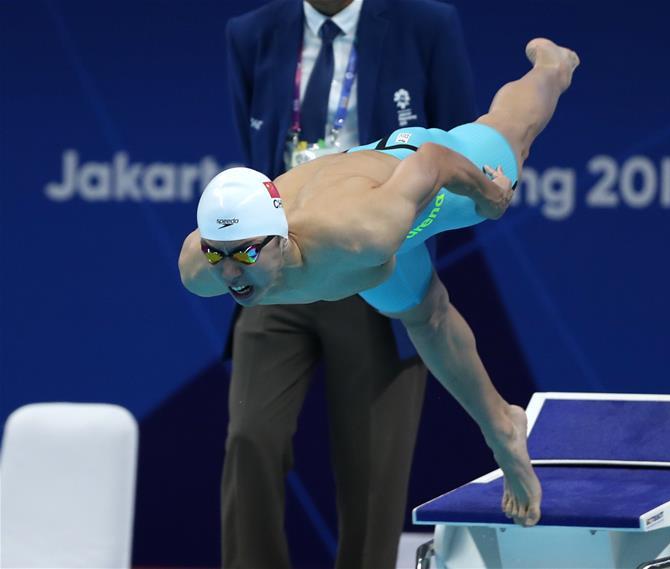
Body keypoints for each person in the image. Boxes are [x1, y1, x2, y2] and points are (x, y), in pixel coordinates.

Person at [181, 37, 580, 528]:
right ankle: (504, 426)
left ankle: (552, 68)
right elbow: (224, 250)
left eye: (245, 253)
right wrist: (228, 250)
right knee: (424, 315)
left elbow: (432, 162)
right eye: (218, 254)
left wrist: (488, 194)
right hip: (351, 223)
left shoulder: (361, 233)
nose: (230, 274)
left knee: (508, 136)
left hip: (407, 174)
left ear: (281, 238)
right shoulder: (201, 271)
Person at [220, 0, 477, 567]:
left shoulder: (426, 26)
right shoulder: (252, 35)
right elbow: (253, 156)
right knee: (250, 438)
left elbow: (459, 145)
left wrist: (403, 250)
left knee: (372, 472)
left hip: (375, 270)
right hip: (280, 273)